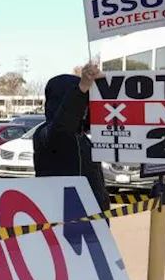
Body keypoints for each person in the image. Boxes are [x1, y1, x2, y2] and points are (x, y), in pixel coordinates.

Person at [32, 61, 109, 212]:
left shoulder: (84, 139)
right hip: (61, 221)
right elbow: (63, 126)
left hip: (93, 223)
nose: (86, 108)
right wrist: (81, 90)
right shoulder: (45, 135)